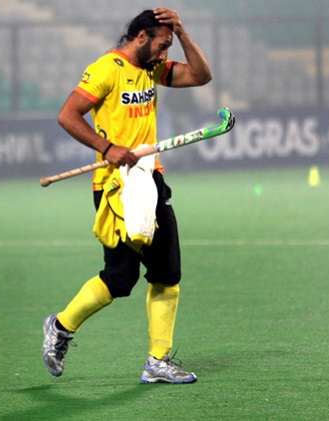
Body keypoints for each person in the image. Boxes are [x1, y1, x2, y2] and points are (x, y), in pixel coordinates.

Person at [42, 8, 212, 383]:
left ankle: (157, 362)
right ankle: (60, 327)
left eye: (168, 47)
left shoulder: (153, 69)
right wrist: (107, 148)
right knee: (120, 279)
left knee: (167, 273)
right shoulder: (107, 69)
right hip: (115, 186)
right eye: (162, 45)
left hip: (150, 179)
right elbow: (68, 115)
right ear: (141, 37)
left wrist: (182, 31)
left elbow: (201, 76)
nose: (165, 54)